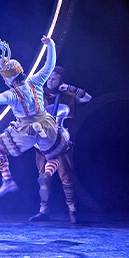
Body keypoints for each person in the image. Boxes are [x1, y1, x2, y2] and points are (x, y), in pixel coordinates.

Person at [0, 35, 71, 201]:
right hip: (46, 125)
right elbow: (50, 65)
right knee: (54, 156)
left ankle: (8, 181)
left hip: (26, 130)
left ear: (8, 80)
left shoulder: (12, 94)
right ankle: (47, 174)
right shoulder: (35, 81)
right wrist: (50, 45)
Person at [31, 66, 92, 223]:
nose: (50, 80)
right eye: (49, 78)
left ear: (61, 81)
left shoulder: (68, 95)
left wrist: (71, 88)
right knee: (43, 176)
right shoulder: (39, 94)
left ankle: (72, 210)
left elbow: (87, 98)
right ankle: (43, 210)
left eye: (54, 78)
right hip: (43, 142)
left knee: (66, 175)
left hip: (61, 142)